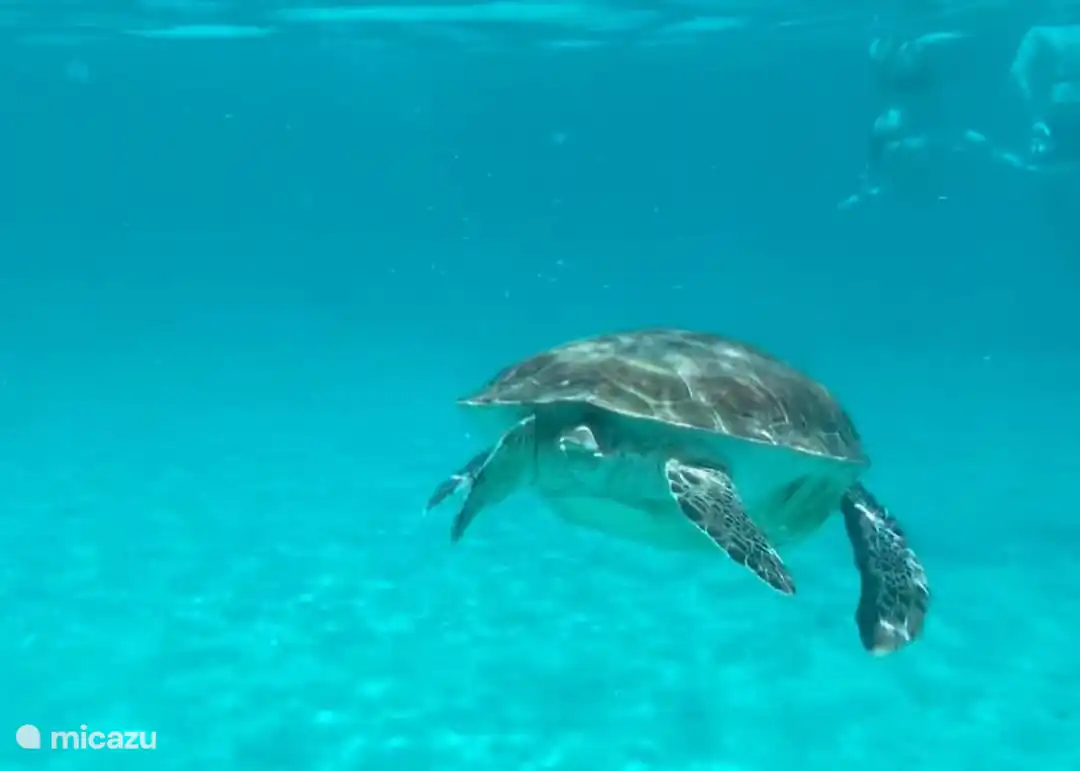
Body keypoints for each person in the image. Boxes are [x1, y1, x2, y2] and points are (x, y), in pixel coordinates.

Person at [1010, 25, 1080, 170]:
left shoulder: (1039, 34)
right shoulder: (1040, 34)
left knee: (1052, 164)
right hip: (1063, 106)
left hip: (1061, 105)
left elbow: (1017, 72)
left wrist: (1035, 113)